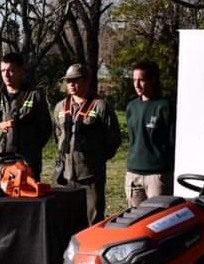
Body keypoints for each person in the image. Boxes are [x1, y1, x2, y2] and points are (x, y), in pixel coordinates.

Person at [53, 63, 121, 224]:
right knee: (67, 220)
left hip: (90, 175)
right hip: (65, 175)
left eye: (76, 80)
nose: (71, 84)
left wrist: (96, 158)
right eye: (69, 81)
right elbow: (57, 134)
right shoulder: (60, 107)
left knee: (94, 220)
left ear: (87, 81)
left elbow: (113, 138)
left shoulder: (100, 106)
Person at [0, 52, 53, 179]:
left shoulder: (34, 95)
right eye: (3, 70)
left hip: (26, 162)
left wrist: (30, 147)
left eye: (11, 70)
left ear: (21, 71)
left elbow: (45, 129)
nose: (6, 75)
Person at [124, 60, 174, 208]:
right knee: (134, 220)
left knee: (157, 219)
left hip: (157, 175)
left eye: (141, 80)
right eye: (134, 80)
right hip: (133, 173)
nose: (137, 85)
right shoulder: (131, 106)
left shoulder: (165, 106)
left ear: (152, 80)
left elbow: (172, 140)